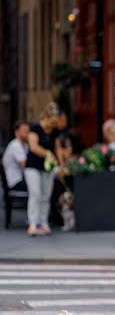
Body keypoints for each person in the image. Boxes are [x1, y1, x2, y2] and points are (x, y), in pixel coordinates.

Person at [25, 102, 63, 237]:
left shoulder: (55, 131)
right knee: (35, 193)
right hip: (33, 167)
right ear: (46, 117)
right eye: (52, 122)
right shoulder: (35, 128)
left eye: (55, 122)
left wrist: (61, 164)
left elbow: (58, 148)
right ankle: (32, 224)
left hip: (48, 168)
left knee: (46, 195)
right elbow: (33, 147)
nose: (54, 125)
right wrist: (48, 154)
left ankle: (43, 222)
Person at [2, 120, 30, 191]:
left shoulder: (26, 146)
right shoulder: (15, 145)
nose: (27, 133)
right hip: (15, 182)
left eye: (28, 131)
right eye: (24, 130)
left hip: (22, 179)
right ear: (16, 132)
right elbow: (25, 165)